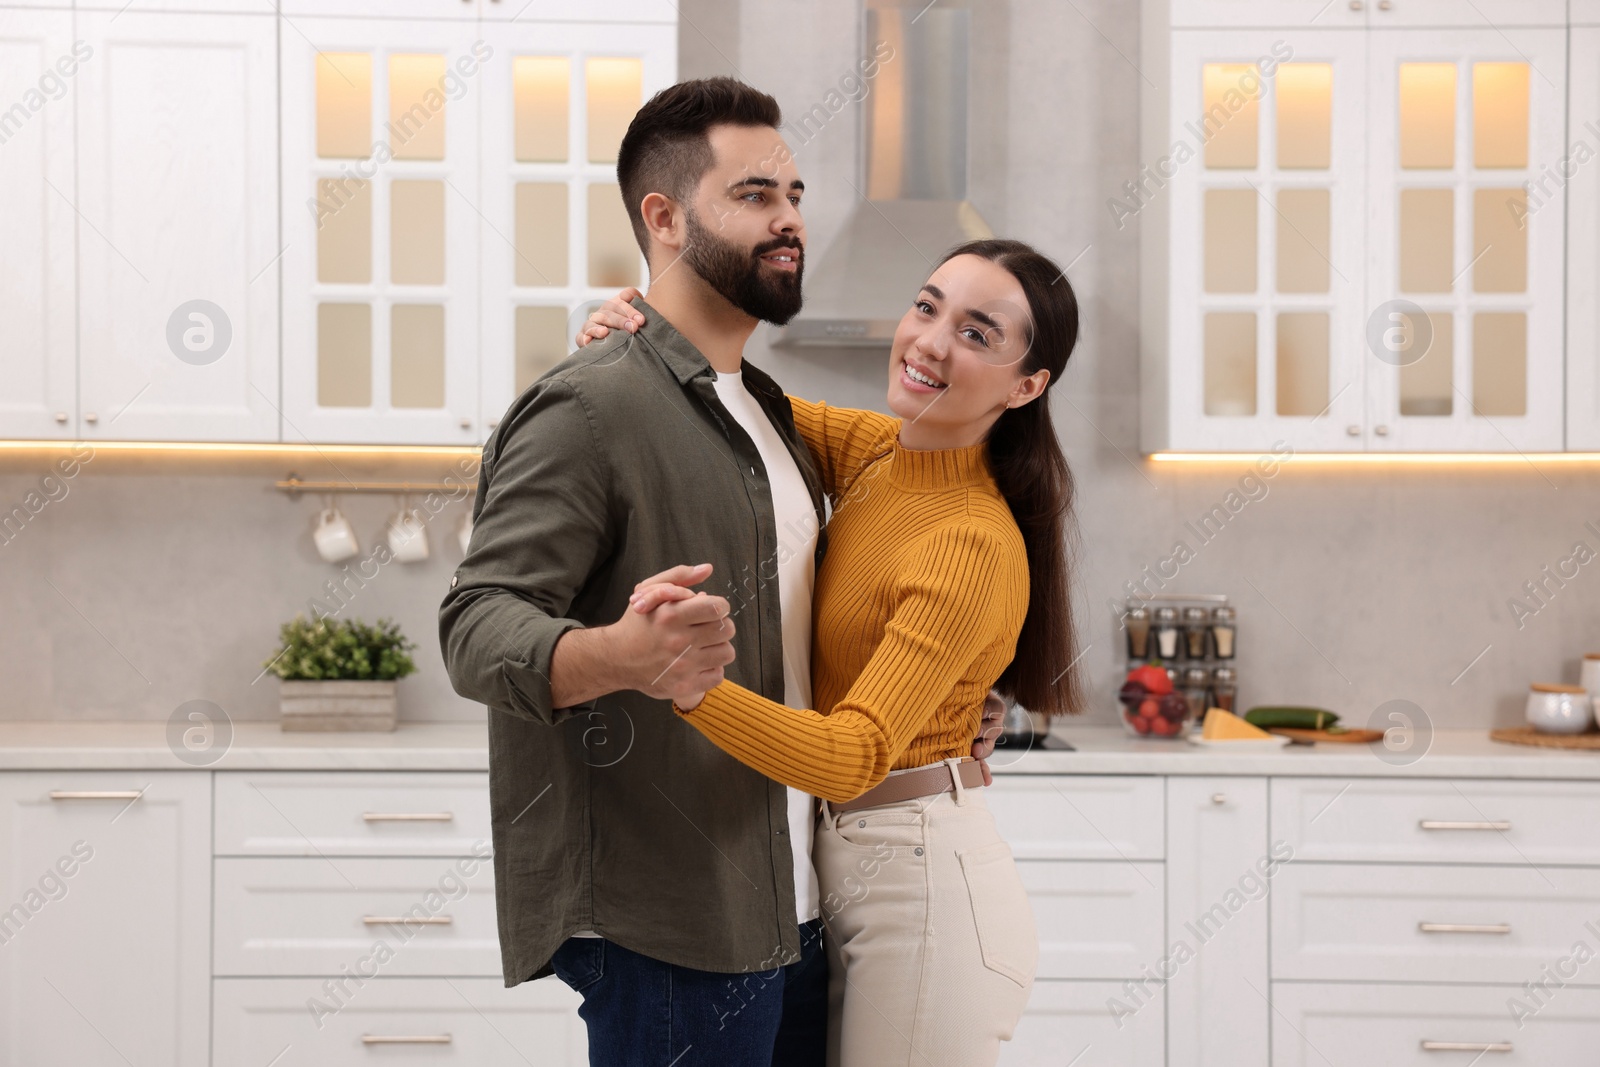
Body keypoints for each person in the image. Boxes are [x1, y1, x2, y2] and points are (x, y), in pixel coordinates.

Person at [439, 77, 1000, 1067]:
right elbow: (477, 624)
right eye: (752, 195)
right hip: (667, 926)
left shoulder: (766, 414)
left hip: (787, 906)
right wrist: (619, 652)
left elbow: (892, 536)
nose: (788, 220)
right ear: (662, 217)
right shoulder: (590, 405)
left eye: (791, 193)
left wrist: (953, 703)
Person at [576, 237, 1087, 1066]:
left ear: (1028, 386)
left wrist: (686, 682)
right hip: (848, 868)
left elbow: (852, 755)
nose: (929, 341)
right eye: (928, 307)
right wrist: (624, 330)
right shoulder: (876, 455)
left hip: (923, 890)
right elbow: (728, 398)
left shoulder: (972, 541)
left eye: (976, 333)